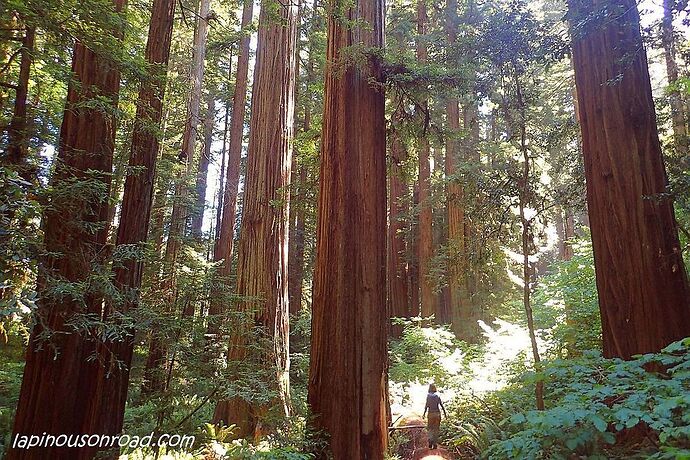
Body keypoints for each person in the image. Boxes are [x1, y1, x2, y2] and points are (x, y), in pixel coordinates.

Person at [422, 383, 447, 450]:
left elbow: (426, 406)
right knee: (436, 429)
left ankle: (430, 441)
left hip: (430, 414)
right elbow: (441, 405)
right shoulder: (437, 396)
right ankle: (435, 443)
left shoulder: (428, 396)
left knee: (430, 428)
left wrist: (424, 414)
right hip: (437, 414)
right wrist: (445, 414)